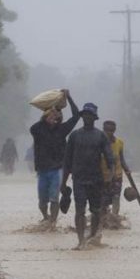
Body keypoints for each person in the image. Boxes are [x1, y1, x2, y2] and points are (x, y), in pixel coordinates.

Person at [60, 102, 115, 249]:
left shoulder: (101, 136)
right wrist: (63, 183)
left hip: (96, 180)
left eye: (90, 115)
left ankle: (91, 236)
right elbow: (67, 161)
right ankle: (80, 240)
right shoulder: (74, 136)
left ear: (94, 117)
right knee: (80, 211)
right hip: (78, 179)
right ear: (82, 116)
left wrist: (110, 178)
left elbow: (111, 160)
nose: (87, 117)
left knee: (96, 211)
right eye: (85, 115)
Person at [29, 89, 80, 223]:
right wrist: (48, 111)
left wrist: (69, 97)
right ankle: (45, 217)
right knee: (42, 202)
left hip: (57, 169)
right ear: (44, 117)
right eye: (50, 116)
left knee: (54, 199)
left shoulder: (62, 130)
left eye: (56, 116)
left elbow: (76, 116)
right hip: (42, 170)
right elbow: (33, 127)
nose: (54, 118)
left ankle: (52, 222)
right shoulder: (37, 130)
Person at [100, 120, 131, 218]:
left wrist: (127, 169)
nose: (109, 132)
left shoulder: (119, 143)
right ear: (103, 130)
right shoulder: (98, 143)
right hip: (102, 176)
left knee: (116, 197)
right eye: (107, 130)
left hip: (117, 176)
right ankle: (104, 218)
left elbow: (121, 159)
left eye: (111, 130)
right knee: (103, 200)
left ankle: (114, 218)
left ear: (114, 131)